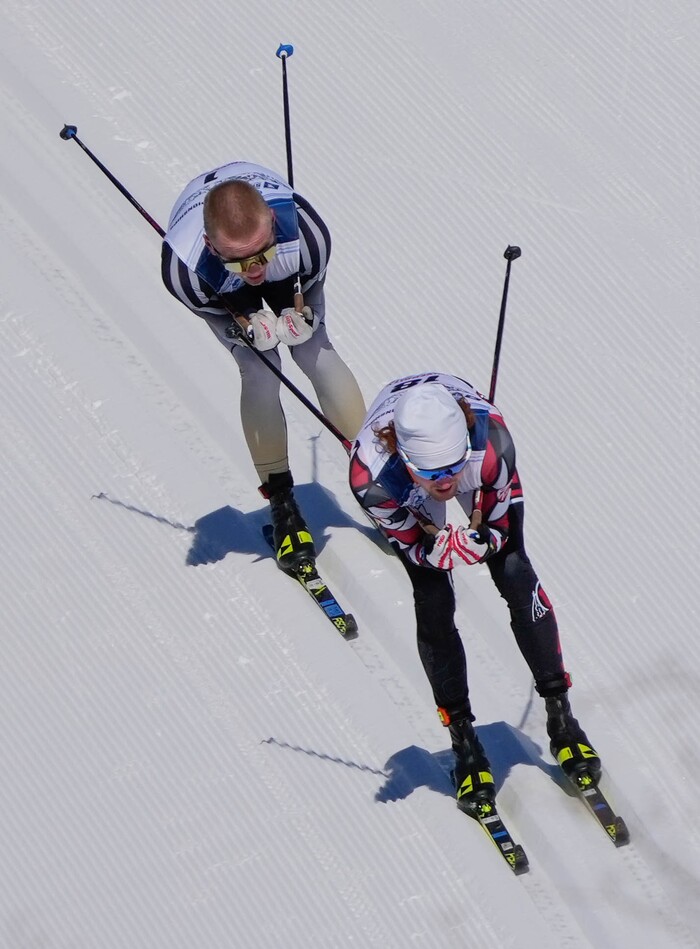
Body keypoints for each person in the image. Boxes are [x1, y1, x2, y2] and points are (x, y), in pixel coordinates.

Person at [349, 371, 601, 814]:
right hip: (403, 489)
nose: (445, 482)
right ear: (404, 456)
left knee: (515, 573)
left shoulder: (493, 448)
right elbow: (412, 547)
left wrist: (485, 540)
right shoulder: (372, 476)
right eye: (432, 472)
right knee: (433, 598)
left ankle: (563, 719)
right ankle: (463, 739)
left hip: (477, 466)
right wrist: (432, 552)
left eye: (451, 467)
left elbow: (505, 532)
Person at [161, 161, 366, 569]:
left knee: (311, 348)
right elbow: (222, 313)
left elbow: (305, 297)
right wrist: (243, 328)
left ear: (273, 222)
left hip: (289, 273)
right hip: (220, 291)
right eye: (239, 261)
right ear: (210, 244)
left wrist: (304, 317)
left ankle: (378, 470)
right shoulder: (185, 272)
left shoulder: (308, 237)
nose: (254, 270)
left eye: (262, 252)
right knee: (260, 366)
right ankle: (282, 502)